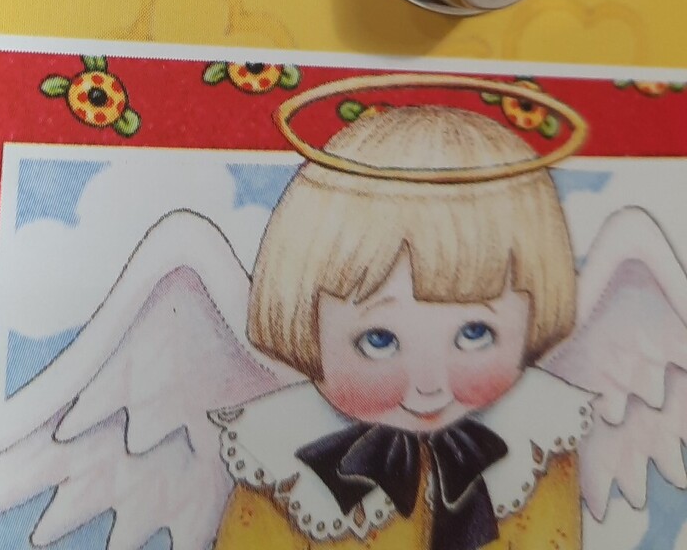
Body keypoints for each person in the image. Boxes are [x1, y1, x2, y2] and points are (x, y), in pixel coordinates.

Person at [211, 105, 591, 550]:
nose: (428, 387)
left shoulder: (538, 449)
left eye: (474, 334)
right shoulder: (280, 468)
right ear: (306, 323)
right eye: (379, 340)